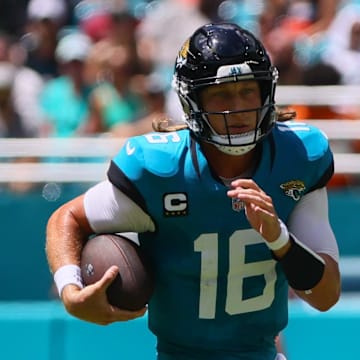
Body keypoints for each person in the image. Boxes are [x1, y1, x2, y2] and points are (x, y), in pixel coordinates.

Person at [45, 23, 341, 360]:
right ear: (192, 101)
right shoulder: (160, 169)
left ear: (266, 91)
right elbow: (66, 217)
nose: (238, 108)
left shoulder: (299, 156)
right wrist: (70, 290)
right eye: (221, 94)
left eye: (247, 90)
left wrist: (280, 240)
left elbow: (326, 295)